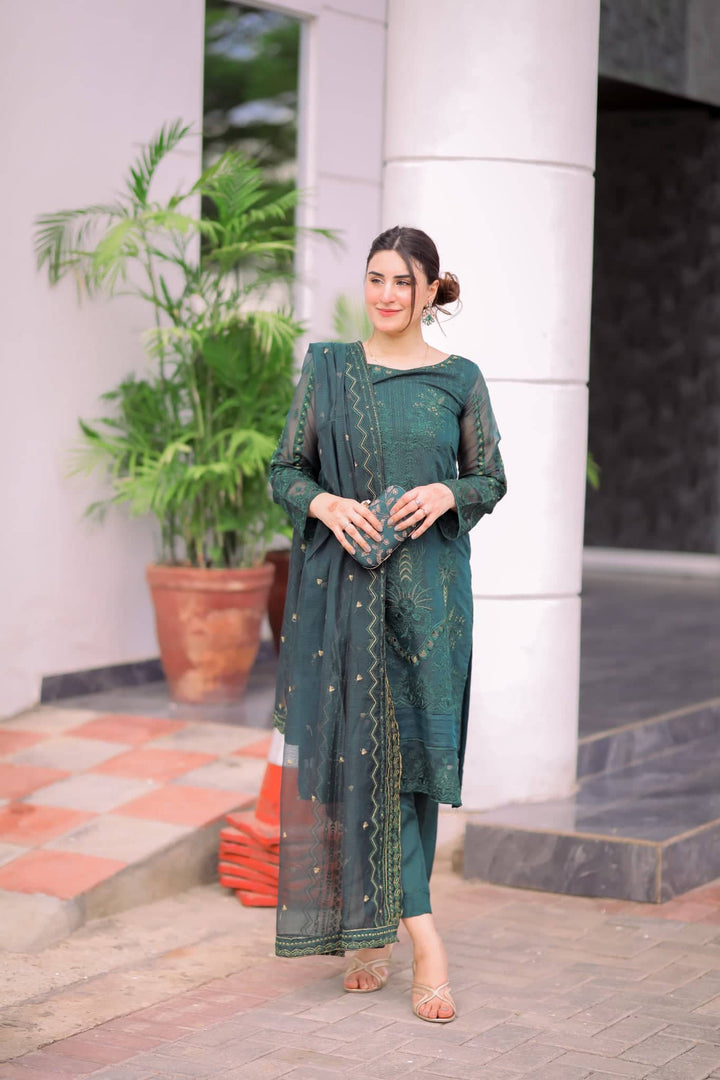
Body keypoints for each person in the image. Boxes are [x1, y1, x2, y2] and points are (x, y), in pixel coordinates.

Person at [269, 225, 506, 1023]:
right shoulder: (329, 368)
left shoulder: (459, 379)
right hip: (348, 601)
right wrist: (326, 505)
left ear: (432, 290)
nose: (387, 294)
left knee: (416, 772)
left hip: (434, 604)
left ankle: (374, 933)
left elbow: (490, 477)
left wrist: (449, 493)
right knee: (363, 765)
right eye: (376, 278)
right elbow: (286, 470)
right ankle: (424, 941)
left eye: (404, 281)